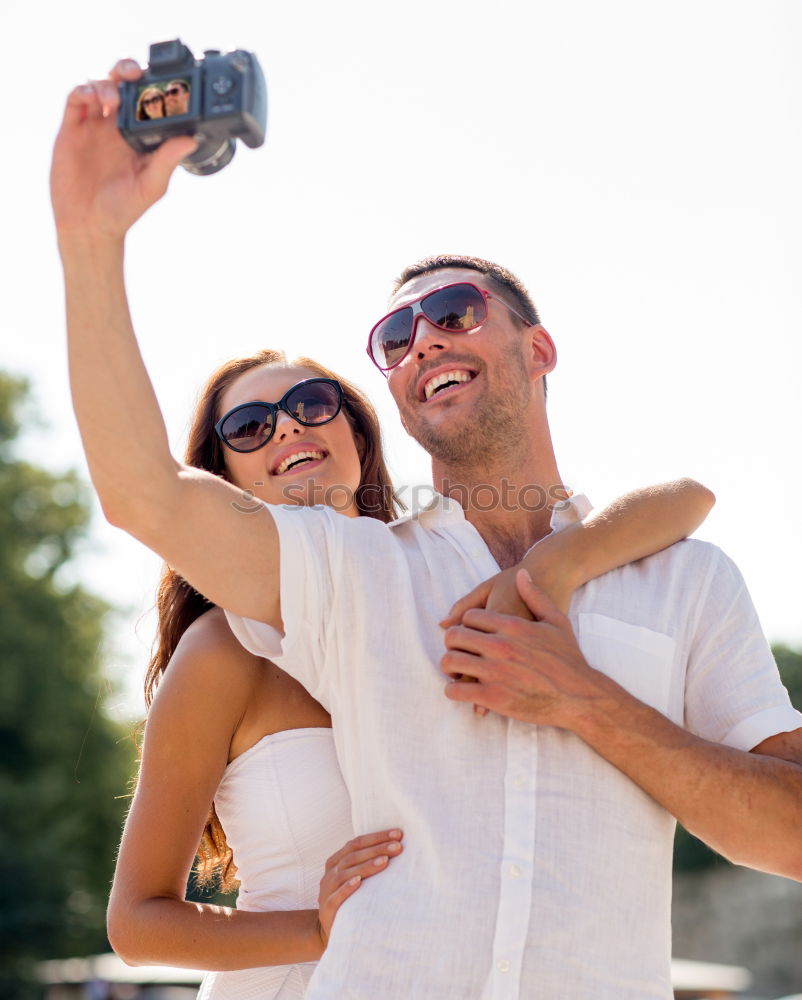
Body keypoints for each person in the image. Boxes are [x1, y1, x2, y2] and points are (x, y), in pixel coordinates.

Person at [51, 59, 802, 1000]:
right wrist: (90, 237)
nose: (423, 342)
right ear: (396, 398)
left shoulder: (689, 582)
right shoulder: (351, 573)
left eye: (452, 312)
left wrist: (586, 703)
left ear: (538, 350)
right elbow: (145, 496)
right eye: (395, 339)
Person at [105, 347, 714, 998]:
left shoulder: (430, 594)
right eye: (250, 425)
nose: (286, 427)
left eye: (312, 405)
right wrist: (319, 928)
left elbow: (690, 499)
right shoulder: (224, 650)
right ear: (223, 478)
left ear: (359, 438)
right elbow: (139, 923)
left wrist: (561, 559)